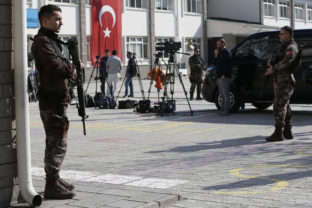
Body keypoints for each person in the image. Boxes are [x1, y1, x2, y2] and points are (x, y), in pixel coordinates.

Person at [31, 4, 79, 199]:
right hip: (51, 100)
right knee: (56, 142)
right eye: (57, 19)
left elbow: (61, 65)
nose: (61, 23)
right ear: (45, 21)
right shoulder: (42, 41)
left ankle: (55, 177)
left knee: (58, 141)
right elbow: (56, 66)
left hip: (57, 98)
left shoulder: (51, 40)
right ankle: (51, 184)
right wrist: (72, 68)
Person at [265, 26, 298, 142]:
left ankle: (278, 133)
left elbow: (287, 62)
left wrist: (273, 69)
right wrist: (271, 63)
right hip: (279, 80)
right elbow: (279, 59)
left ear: (288, 35)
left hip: (286, 81)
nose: (280, 36)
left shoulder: (292, 47)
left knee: (279, 106)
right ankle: (287, 131)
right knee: (285, 105)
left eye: (282, 34)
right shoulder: (283, 47)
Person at [214, 38, 232, 116]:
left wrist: (224, 74)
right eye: (217, 44)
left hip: (224, 77)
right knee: (221, 94)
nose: (217, 45)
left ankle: (226, 110)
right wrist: (215, 55)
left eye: (218, 44)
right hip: (219, 76)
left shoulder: (227, 52)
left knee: (225, 94)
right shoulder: (220, 53)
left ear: (223, 44)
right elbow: (215, 63)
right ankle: (222, 109)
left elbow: (228, 65)